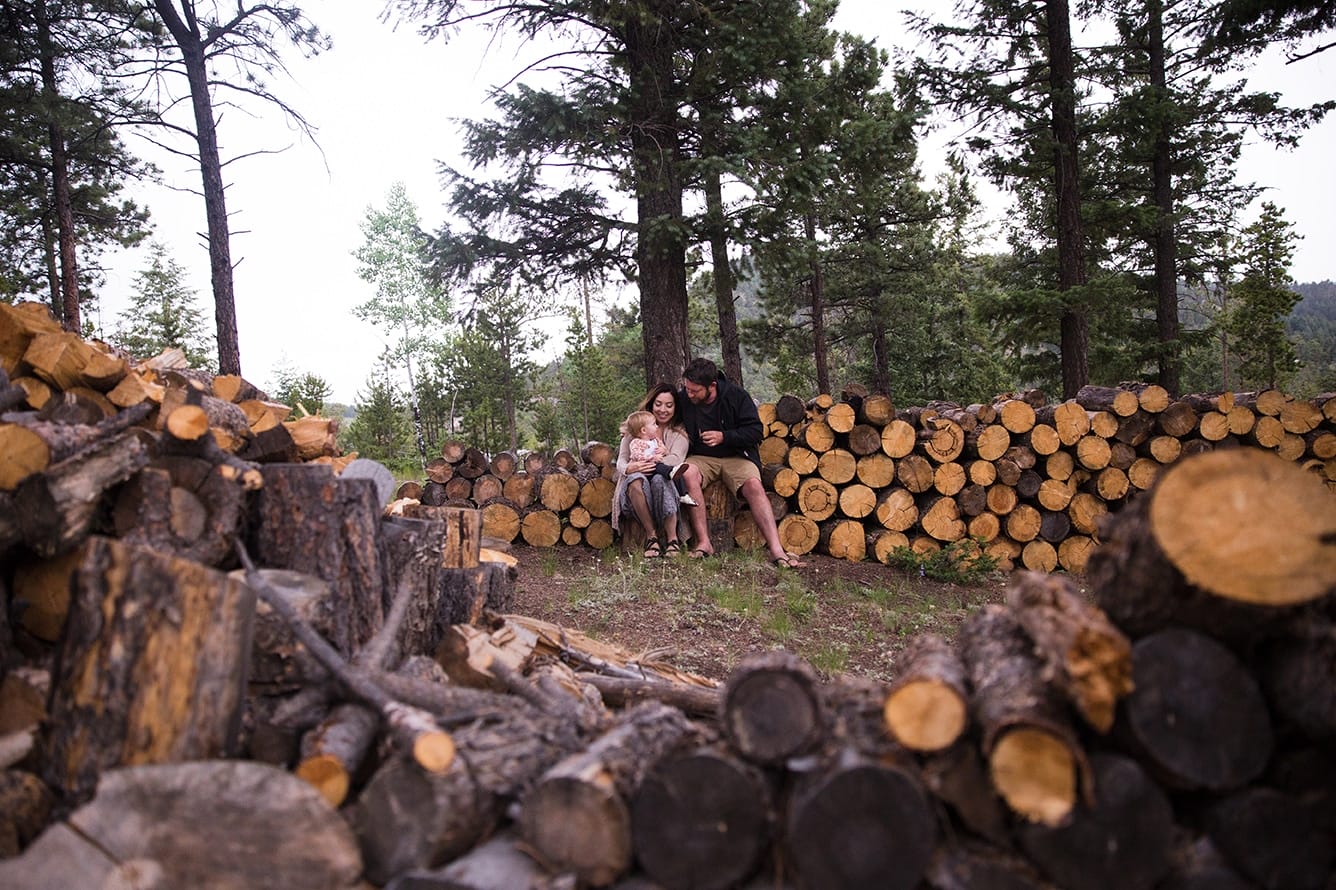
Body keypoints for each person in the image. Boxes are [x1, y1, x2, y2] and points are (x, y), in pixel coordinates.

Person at [677, 357, 807, 568]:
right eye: (688, 389)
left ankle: (776, 550)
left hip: (737, 455)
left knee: (754, 485)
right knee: (687, 473)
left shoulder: (736, 396)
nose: (690, 394)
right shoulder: (685, 398)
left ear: (712, 385)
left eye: (695, 391)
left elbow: (756, 432)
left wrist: (724, 437)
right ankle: (703, 543)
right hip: (702, 456)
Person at [612, 385, 704, 558]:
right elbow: (622, 459)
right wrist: (629, 467)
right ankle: (651, 535)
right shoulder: (635, 428)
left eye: (669, 405)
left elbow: (676, 459)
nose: (663, 410)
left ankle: (672, 539)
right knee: (635, 480)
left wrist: (650, 462)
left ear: (675, 408)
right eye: (658, 404)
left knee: (660, 479)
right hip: (637, 486)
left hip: (664, 484)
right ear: (651, 403)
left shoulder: (679, 433)